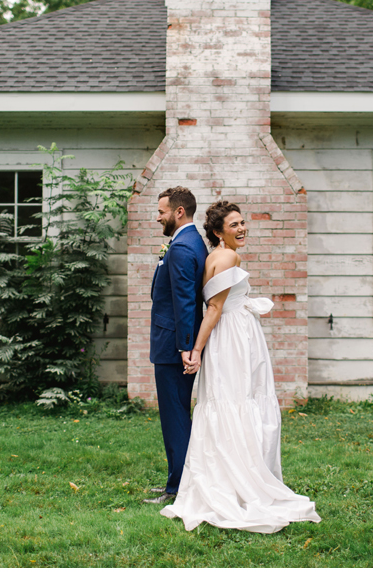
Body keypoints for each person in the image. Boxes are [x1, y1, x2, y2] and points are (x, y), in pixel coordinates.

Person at [160, 201, 321, 532]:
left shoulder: (211, 258)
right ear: (218, 233)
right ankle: (243, 480)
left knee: (225, 402)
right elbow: (215, 309)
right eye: (234, 225)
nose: (242, 228)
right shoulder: (229, 257)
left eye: (243, 222)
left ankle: (227, 475)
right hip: (231, 338)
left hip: (228, 336)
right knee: (237, 400)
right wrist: (196, 350)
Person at [143, 187, 209, 505]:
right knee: (176, 414)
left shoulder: (182, 247)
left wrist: (186, 347)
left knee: (175, 416)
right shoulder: (187, 241)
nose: (158, 217)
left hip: (173, 345)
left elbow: (185, 300)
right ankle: (176, 480)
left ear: (178, 212)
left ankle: (179, 488)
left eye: (162, 211)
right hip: (173, 342)